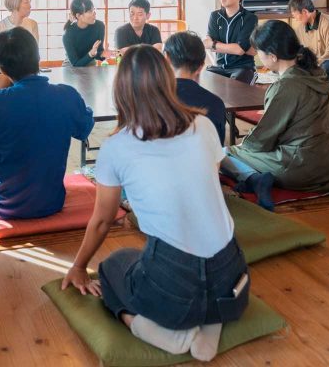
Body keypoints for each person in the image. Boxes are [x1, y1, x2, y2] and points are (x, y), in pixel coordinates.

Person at [61, 45, 249, 362]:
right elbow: (205, 181)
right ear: (167, 80)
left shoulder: (117, 147)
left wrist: (79, 267)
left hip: (174, 290)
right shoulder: (202, 125)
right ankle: (211, 319)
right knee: (181, 260)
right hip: (232, 277)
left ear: (121, 91)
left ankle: (160, 332)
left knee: (113, 266)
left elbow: (103, 221)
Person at [0, 28, 94, 219]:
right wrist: (82, 108)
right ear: (38, 57)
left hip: (2, 204)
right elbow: (84, 128)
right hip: (51, 202)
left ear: (1, 67)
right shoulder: (66, 94)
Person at [222, 20, 329, 211]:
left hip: (301, 167)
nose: (258, 56)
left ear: (273, 56)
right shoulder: (314, 72)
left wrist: (243, 146)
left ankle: (254, 179)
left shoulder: (286, 86)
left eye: (259, 51)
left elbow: (263, 139)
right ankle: (256, 177)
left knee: (226, 153)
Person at [164, 31, 226, 145]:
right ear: (201, 66)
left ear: (166, 59)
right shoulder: (216, 104)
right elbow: (217, 149)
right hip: (204, 162)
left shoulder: (150, 100)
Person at [204, 0, 258, 84]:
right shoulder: (215, 16)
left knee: (235, 87)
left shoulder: (249, 18)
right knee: (203, 81)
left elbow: (240, 50)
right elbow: (208, 44)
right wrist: (233, 47)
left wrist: (215, 45)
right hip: (219, 67)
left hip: (243, 68)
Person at [288, 0, 329, 80]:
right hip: (316, 64)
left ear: (304, 12)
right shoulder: (300, 28)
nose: (295, 19)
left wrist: (312, 65)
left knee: (327, 66)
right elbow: (297, 50)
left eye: (295, 15)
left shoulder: (328, 23)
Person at [63, 0, 108, 66]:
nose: (94, 13)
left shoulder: (99, 26)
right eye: (90, 11)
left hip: (90, 62)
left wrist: (103, 54)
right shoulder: (68, 34)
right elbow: (75, 64)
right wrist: (91, 54)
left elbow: (98, 53)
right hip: (71, 65)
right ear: (78, 16)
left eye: (94, 10)